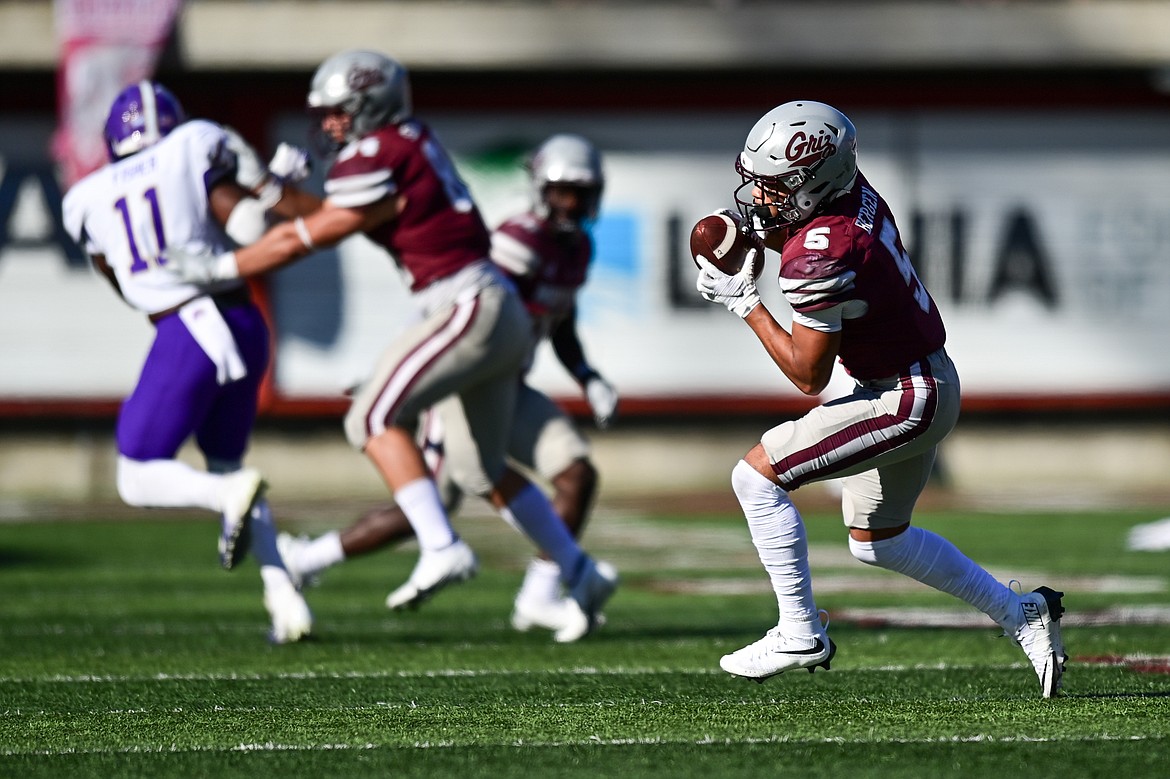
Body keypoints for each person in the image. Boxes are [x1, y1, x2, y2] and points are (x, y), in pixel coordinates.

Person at [168, 50, 618, 634]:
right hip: (487, 314)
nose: (329, 124)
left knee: (371, 417)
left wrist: (223, 265)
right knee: (479, 469)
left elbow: (310, 236)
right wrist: (264, 188)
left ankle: (440, 547)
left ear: (369, 104)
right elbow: (335, 216)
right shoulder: (407, 144)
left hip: (466, 304)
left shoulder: (379, 152)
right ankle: (578, 570)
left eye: (337, 112)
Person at [693, 100, 1068, 697]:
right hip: (918, 380)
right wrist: (763, 240)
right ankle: (1021, 613)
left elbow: (807, 374)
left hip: (904, 396)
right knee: (878, 540)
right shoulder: (850, 194)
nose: (758, 198)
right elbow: (810, 231)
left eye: (771, 187)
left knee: (756, 478)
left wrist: (744, 301)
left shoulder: (819, 253)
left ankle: (799, 630)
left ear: (812, 185)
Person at [277, 134, 618, 642]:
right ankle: (307, 558)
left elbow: (561, 322)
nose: (570, 203)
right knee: (432, 501)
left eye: (579, 192)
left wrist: (587, 375)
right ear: (540, 188)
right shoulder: (517, 239)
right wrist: (397, 369)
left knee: (575, 473)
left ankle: (546, 593)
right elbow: (463, 315)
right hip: (463, 377)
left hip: (507, 381)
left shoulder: (579, 248)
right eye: (562, 191)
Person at [61, 81, 317, 643]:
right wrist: (277, 184)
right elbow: (247, 225)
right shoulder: (191, 145)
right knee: (227, 462)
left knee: (137, 475)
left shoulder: (85, 197)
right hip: (245, 323)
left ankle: (225, 500)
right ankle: (284, 599)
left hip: (188, 330)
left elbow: (124, 286)